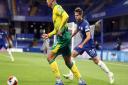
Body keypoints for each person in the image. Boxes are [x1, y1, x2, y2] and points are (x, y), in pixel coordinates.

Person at [63, 7, 114, 84]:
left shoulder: (85, 24)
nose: (75, 17)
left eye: (77, 15)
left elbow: (89, 37)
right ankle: (71, 75)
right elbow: (77, 30)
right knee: (72, 55)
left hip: (89, 44)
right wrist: (70, 37)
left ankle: (109, 74)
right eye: (75, 15)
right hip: (83, 43)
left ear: (81, 15)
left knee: (96, 61)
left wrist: (82, 44)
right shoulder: (78, 22)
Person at [42, 0, 86, 85]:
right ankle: (81, 81)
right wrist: (48, 35)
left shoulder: (57, 7)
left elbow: (66, 16)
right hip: (65, 37)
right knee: (68, 62)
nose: (46, 1)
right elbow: (56, 29)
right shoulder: (54, 10)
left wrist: (61, 28)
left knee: (50, 57)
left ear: (52, 0)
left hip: (63, 37)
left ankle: (59, 81)